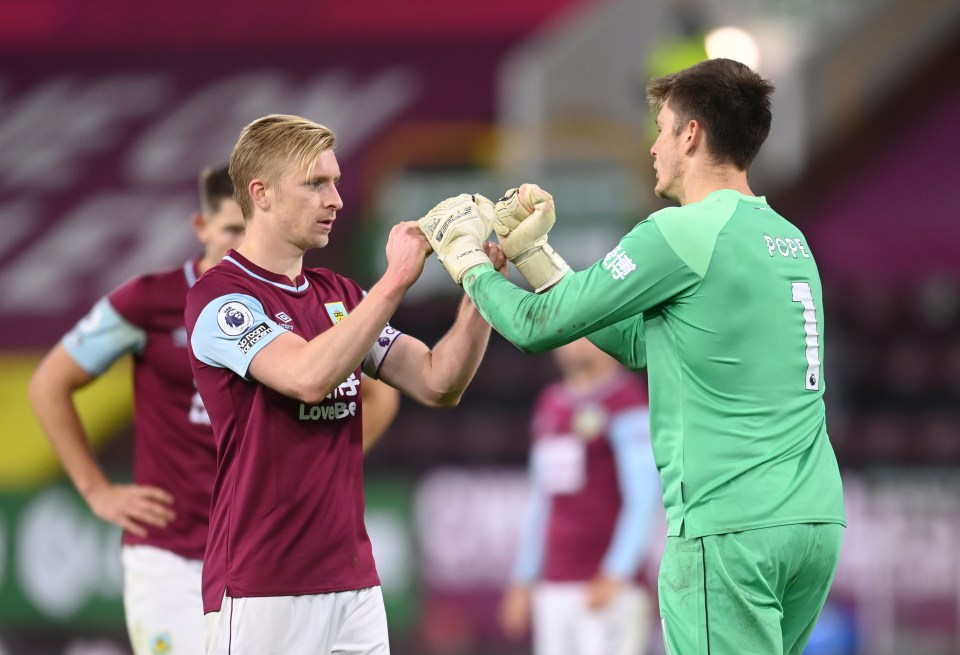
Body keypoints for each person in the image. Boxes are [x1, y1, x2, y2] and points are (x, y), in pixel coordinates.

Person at [421, 58, 846, 654]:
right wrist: (534, 256)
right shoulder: (789, 239)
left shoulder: (679, 232)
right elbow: (639, 341)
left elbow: (535, 327)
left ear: (691, 135)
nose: (653, 147)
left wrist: (467, 261)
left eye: (663, 129)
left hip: (727, 527)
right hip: (813, 523)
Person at [27, 165, 401, 655]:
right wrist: (95, 490)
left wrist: (324, 470)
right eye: (229, 231)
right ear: (201, 228)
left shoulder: (288, 301)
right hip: (171, 554)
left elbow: (381, 393)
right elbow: (49, 382)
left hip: (263, 553)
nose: (240, 246)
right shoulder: (150, 301)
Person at [185, 114, 503, 654]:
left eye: (334, 181)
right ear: (259, 194)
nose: (335, 199)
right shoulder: (222, 301)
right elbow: (308, 377)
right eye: (315, 184)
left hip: (353, 583)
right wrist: (397, 279)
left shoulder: (340, 294)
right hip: (263, 587)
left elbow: (436, 382)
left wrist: (482, 290)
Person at [498, 337, 661, 655]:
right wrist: (523, 578)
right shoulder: (551, 403)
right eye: (570, 334)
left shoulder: (626, 401)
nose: (576, 343)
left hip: (605, 587)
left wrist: (617, 571)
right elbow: (542, 499)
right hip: (555, 584)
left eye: (587, 333)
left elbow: (644, 496)